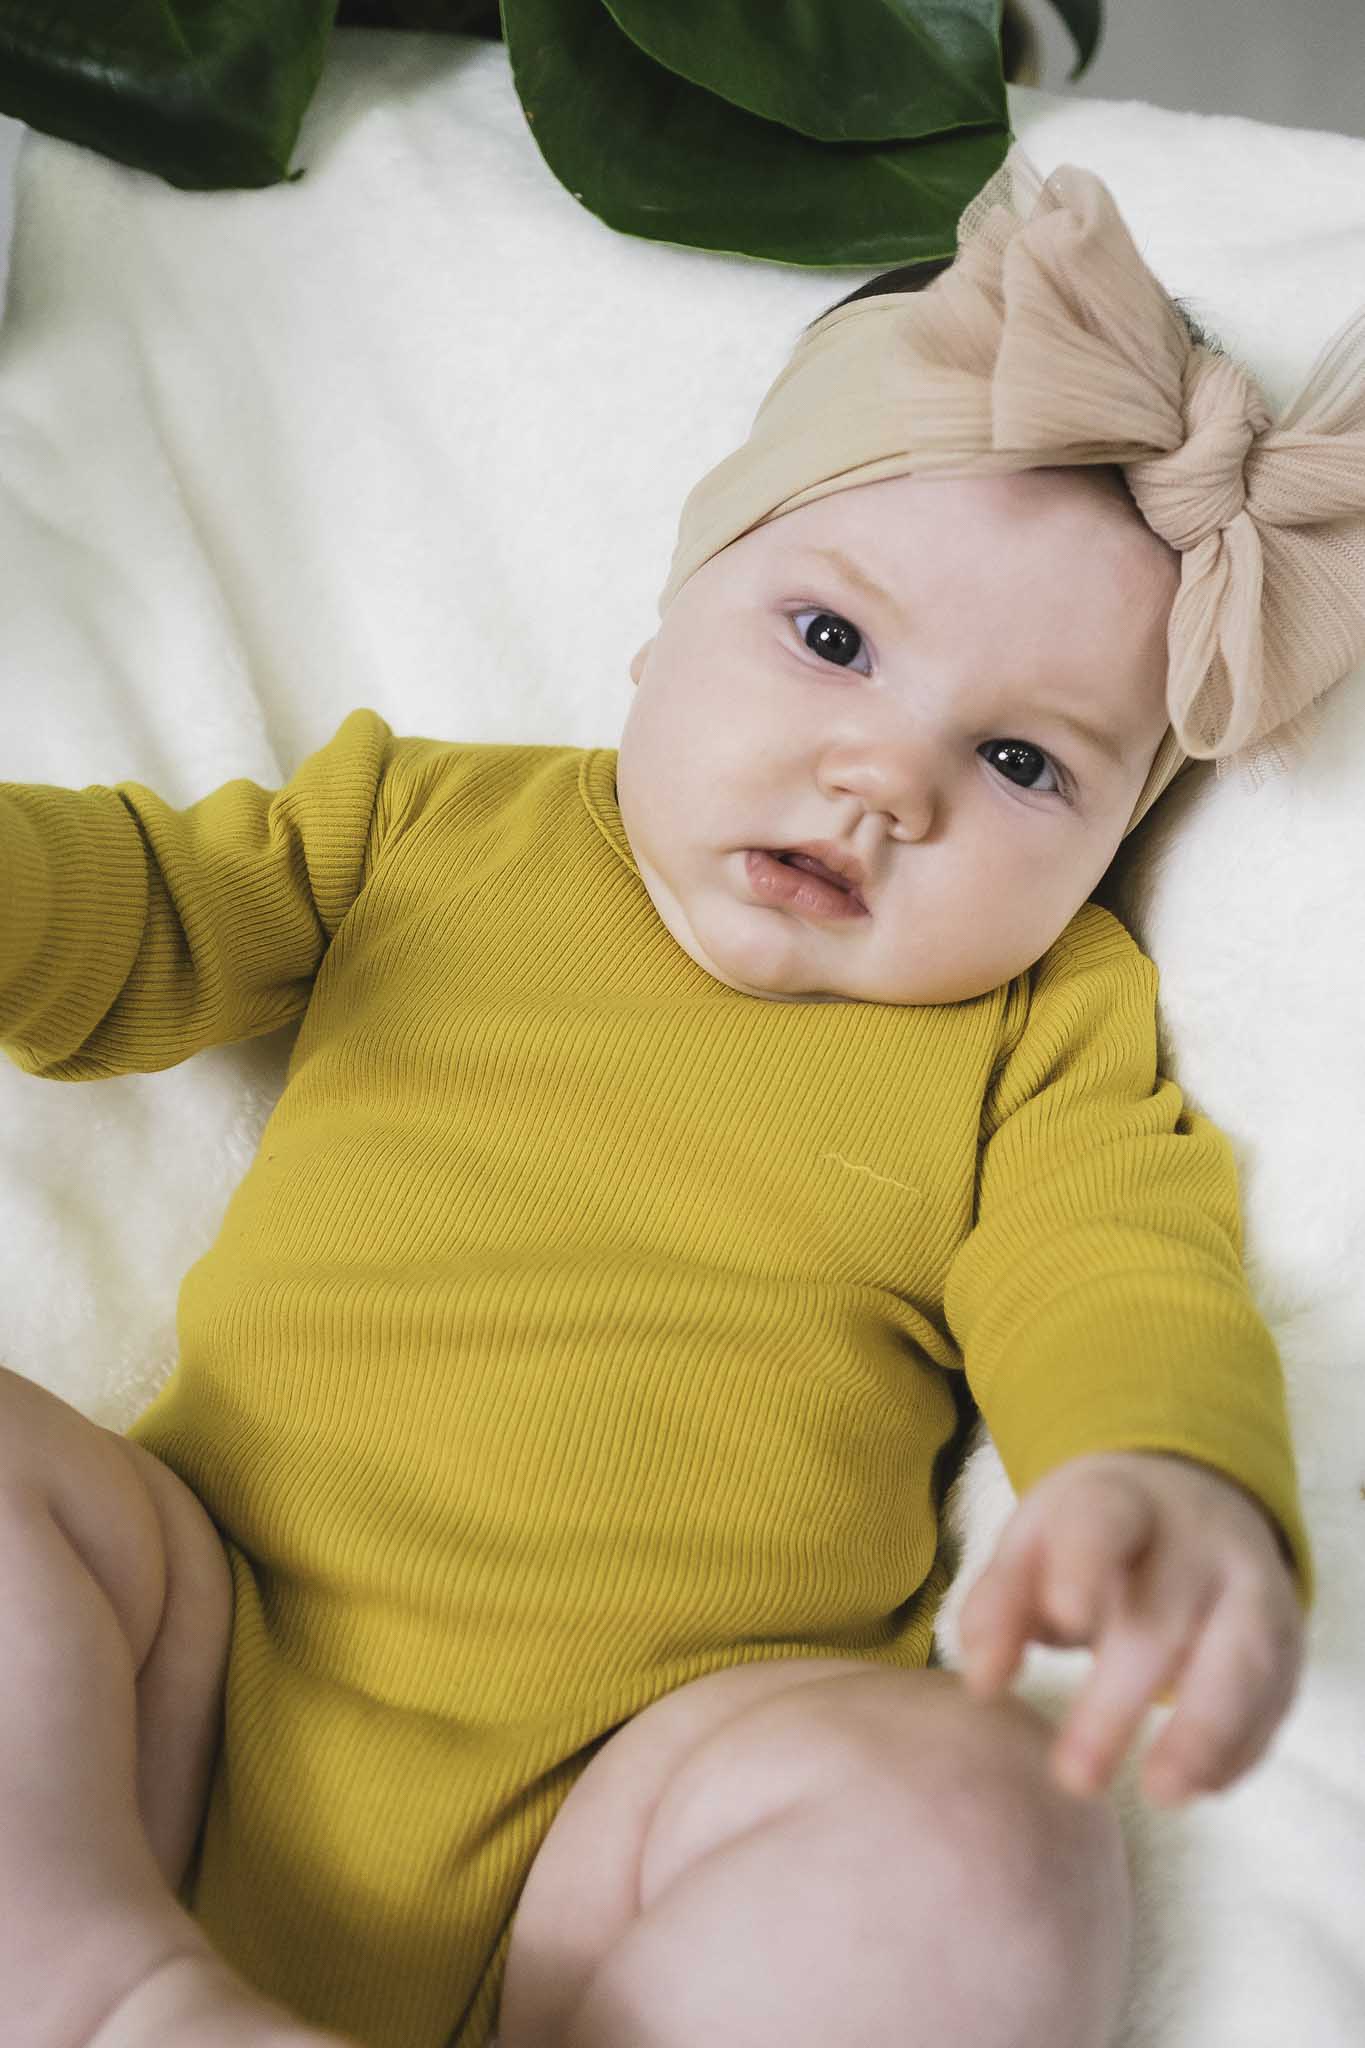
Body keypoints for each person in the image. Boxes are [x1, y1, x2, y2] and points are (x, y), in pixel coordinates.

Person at [3, 144, 1364, 2048]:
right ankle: (92, 1987)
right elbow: (135, 912)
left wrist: (1161, 1470)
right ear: (668, 618)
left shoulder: (1042, 1028)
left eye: (1022, 762)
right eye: (830, 641)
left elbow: (1117, 1269)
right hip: (185, 1669)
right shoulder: (428, 824)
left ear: (1119, 836)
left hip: (655, 1814)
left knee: (985, 1822)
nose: (883, 778)